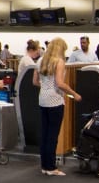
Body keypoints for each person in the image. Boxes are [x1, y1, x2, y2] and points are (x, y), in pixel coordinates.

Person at [34, 37, 81, 175]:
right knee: (53, 135)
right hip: (55, 100)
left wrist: (46, 87)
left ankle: (44, 165)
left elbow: (35, 82)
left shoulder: (40, 61)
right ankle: (52, 168)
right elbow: (60, 83)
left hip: (42, 99)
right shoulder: (59, 62)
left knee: (45, 133)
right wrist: (74, 94)